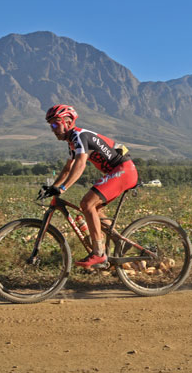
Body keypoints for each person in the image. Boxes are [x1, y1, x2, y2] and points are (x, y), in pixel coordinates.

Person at [43, 104, 138, 268]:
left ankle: (99, 253)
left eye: (55, 123)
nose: (53, 129)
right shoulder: (72, 142)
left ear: (68, 121)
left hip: (124, 170)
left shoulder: (80, 136)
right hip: (118, 171)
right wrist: (53, 187)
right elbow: (67, 169)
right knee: (95, 211)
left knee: (87, 203)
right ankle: (120, 241)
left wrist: (63, 188)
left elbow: (80, 165)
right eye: (50, 125)